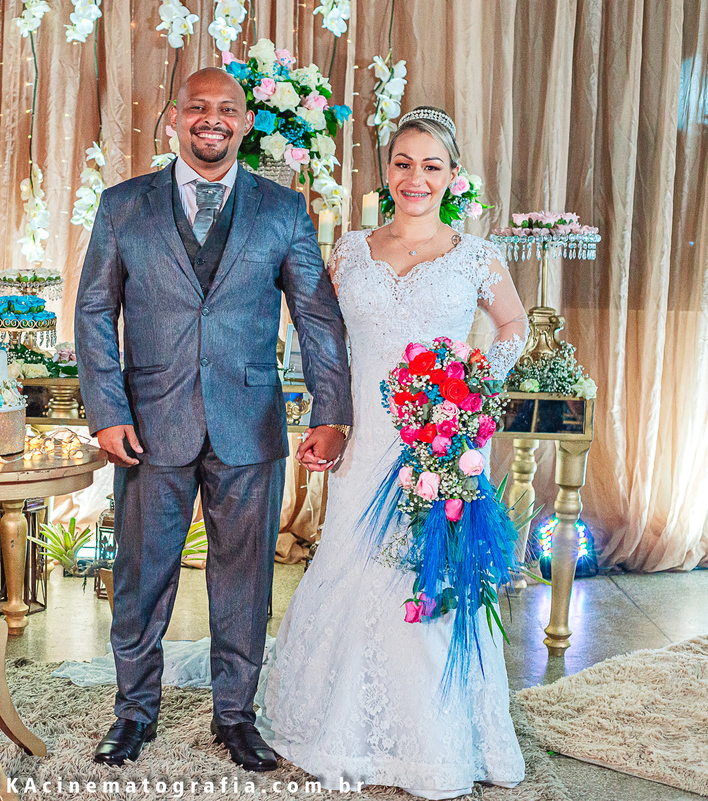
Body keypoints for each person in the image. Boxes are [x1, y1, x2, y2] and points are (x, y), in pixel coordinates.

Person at [74, 68, 353, 771]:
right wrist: (106, 410)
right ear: (173, 117)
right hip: (148, 425)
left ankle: (236, 716)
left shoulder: (283, 210)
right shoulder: (123, 206)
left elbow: (317, 317)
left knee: (246, 579)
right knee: (141, 577)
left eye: (227, 108)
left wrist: (332, 413)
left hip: (249, 424)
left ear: (246, 122)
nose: (212, 118)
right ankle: (133, 713)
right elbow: (94, 311)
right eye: (197, 106)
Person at [256, 106, 529, 799]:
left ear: (452, 176)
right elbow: (320, 338)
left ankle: (432, 739)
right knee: (354, 563)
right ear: (387, 172)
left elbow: (513, 325)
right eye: (404, 164)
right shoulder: (350, 251)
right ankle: (340, 725)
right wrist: (326, 416)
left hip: (438, 439)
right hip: (367, 437)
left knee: (425, 571)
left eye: (431, 166)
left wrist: (472, 387)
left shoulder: (475, 255)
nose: (416, 178)